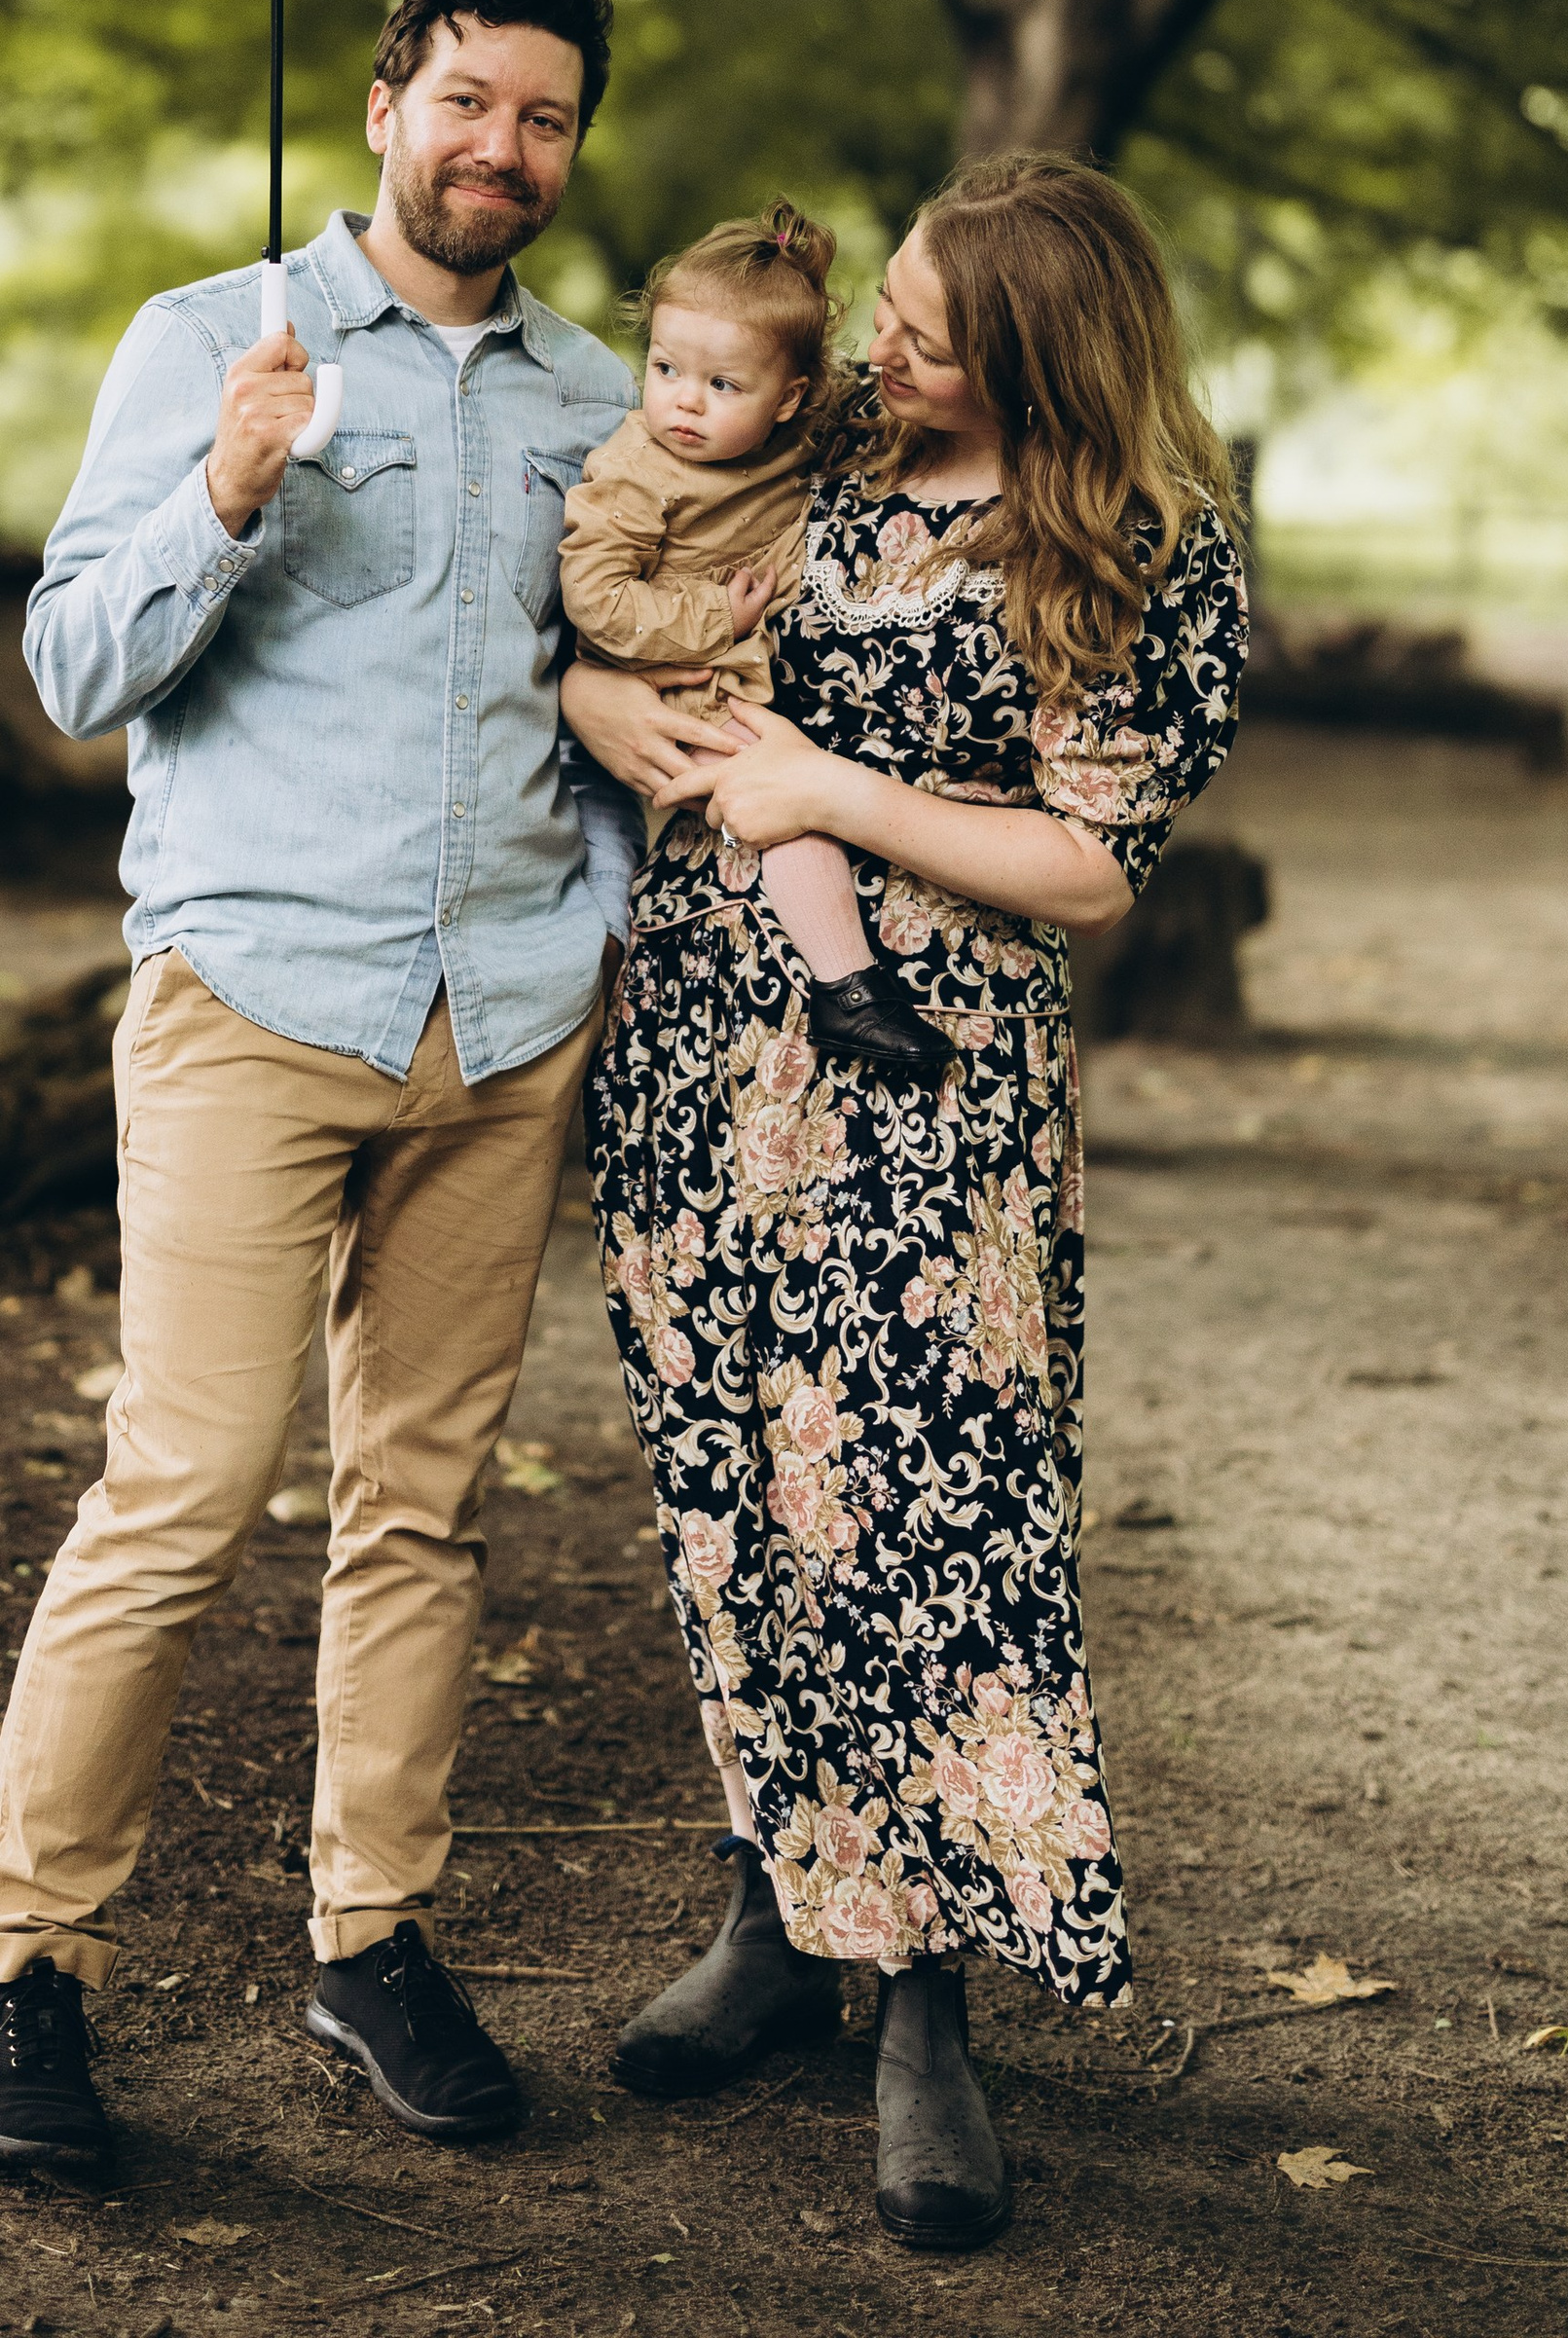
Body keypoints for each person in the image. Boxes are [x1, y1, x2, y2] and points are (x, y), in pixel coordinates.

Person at [0, 0, 638, 2172]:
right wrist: (223, 486)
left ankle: (371, 1933)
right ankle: (21, 1970)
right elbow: (71, 664)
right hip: (250, 1003)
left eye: (541, 114)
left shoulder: (598, 401)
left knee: (416, 1503)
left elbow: (621, 687)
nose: (499, 147)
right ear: (380, 102)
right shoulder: (201, 343)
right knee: (182, 1485)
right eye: (464, 101)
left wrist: (593, 926)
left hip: (500, 1022)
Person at [568, 154, 1248, 2254]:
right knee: (730, 1495)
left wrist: (831, 794)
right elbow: (607, 636)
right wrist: (635, 721)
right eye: (889, 309)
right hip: (699, 1064)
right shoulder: (819, 449)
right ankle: (772, 1909)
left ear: (1040, 352)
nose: (882, 344)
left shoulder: (1141, 549)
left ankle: (923, 2001)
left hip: (927, 1099)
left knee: (928, 1517)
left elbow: (1088, 863)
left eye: (931, 332)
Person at [558, 201, 942, 1078]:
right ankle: (848, 986)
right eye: (663, 369)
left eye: (722, 385)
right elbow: (596, 600)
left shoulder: (806, 426)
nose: (684, 402)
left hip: (742, 645)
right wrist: (714, 619)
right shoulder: (637, 468)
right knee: (779, 803)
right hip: (682, 670)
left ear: (791, 397)